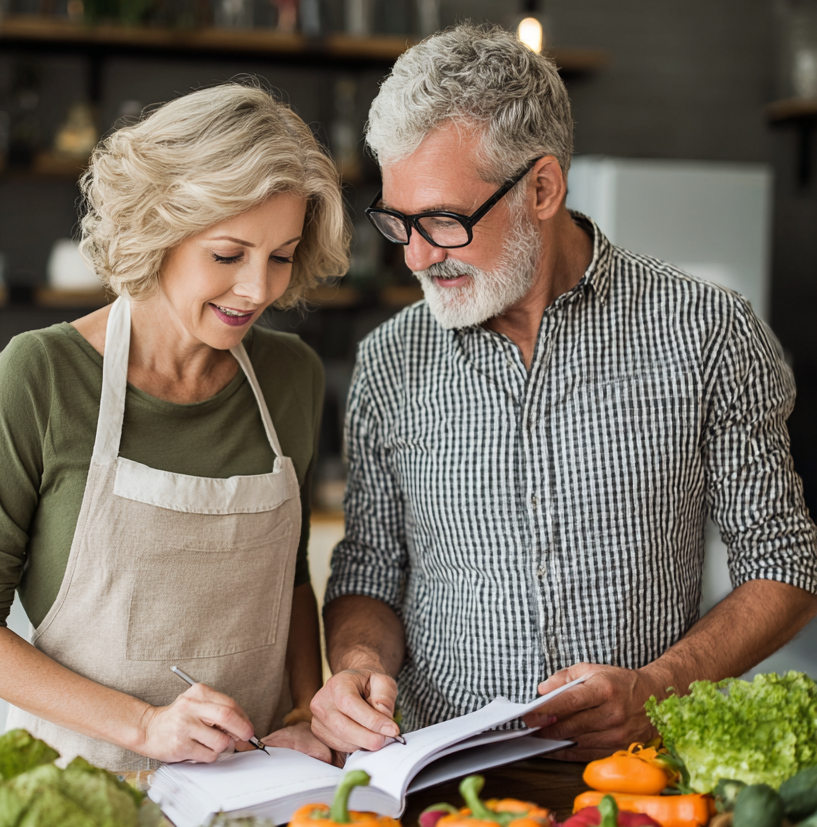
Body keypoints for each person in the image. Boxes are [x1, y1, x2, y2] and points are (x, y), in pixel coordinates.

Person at [312, 24, 817, 761]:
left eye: (444, 221)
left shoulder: (709, 331)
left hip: (635, 781)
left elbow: (784, 564)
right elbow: (370, 571)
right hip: (437, 782)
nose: (416, 256)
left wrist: (659, 688)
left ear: (542, 187)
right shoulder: (391, 361)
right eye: (399, 221)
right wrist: (358, 670)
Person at [0, 84, 347, 770]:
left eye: (280, 256)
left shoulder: (290, 377)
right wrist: (147, 727)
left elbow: (289, 577)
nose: (258, 290)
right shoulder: (40, 376)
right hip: (81, 794)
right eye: (228, 254)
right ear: (160, 228)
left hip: (254, 791)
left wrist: (306, 707)